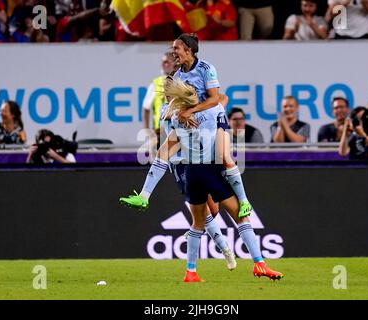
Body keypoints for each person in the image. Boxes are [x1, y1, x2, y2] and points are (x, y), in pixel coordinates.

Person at [121, 78, 283, 282]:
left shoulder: (173, 116)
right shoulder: (214, 111)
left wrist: (145, 194)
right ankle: (259, 263)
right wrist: (243, 198)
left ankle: (191, 272)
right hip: (209, 169)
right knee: (240, 217)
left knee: (200, 222)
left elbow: (162, 154)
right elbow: (225, 157)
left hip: (191, 173)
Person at [171, 33, 253, 218]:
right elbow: (180, 106)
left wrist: (192, 111)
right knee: (212, 207)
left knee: (224, 156)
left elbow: (216, 99)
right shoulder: (177, 76)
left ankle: (244, 200)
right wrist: (180, 113)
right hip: (197, 128)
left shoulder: (206, 68)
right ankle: (201, 227)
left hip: (215, 119)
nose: (173, 52)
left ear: (188, 49)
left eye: (176, 47)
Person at [142, 52, 177, 131]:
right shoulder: (156, 83)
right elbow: (146, 107)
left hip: (179, 128)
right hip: (161, 130)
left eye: (166, 62)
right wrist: (147, 131)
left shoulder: (181, 80)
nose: (163, 65)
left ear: (174, 63)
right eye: (162, 62)